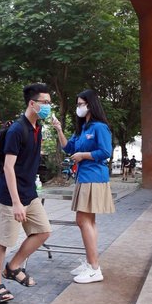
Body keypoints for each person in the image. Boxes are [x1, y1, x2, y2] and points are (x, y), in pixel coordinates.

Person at [0, 83, 52, 304]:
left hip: (29, 193)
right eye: (45, 102)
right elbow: (8, 168)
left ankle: (13, 267)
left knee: (43, 231)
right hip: (10, 196)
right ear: (32, 103)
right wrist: (16, 202)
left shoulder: (37, 128)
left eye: (49, 102)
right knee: (3, 242)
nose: (48, 106)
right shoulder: (17, 130)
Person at [52, 89, 115, 284]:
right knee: (89, 221)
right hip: (84, 177)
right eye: (77, 104)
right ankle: (91, 263)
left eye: (81, 104)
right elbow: (69, 148)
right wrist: (59, 129)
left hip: (94, 178)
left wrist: (83, 156)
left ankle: (94, 268)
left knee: (82, 220)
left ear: (90, 104)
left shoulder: (99, 127)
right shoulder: (82, 129)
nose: (78, 107)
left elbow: (105, 151)